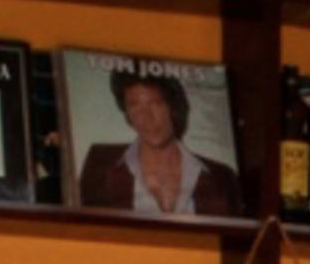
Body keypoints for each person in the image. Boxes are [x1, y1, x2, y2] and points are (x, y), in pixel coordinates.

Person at [73, 67, 239, 216]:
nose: (146, 118)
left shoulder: (222, 177)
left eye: (156, 103)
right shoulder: (99, 165)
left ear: (173, 107)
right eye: (135, 106)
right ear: (126, 113)